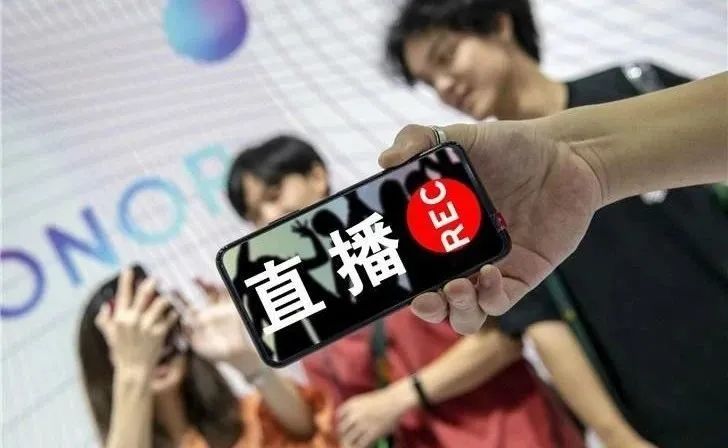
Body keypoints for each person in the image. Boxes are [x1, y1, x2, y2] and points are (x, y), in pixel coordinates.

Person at [379, 72, 728, 447]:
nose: (445, 84)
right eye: (431, 80)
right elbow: (543, 328)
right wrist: (616, 435)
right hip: (669, 411)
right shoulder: (503, 199)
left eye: (445, 56)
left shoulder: (631, 79)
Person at [226, 135, 584, 448]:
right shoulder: (304, 303)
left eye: (274, 194)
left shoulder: (410, 228)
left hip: (512, 432)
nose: (269, 216)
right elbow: (338, 413)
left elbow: (504, 335)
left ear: (316, 176)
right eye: (254, 214)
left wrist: (400, 398)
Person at [78, 266, 337, 448]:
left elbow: (315, 434)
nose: (154, 349)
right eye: (133, 341)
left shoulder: (248, 419)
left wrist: (247, 361)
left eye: (160, 325)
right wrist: (134, 373)